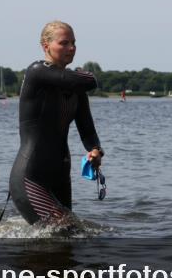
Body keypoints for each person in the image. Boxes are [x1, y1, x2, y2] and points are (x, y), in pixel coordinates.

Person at [9, 21, 104, 226]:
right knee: (66, 229)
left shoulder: (75, 88)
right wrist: (85, 73)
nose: (71, 48)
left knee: (68, 239)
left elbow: (87, 130)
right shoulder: (37, 72)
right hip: (30, 176)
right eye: (64, 43)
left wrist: (95, 150)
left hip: (61, 175)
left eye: (73, 43)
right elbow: (90, 81)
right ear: (46, 46)